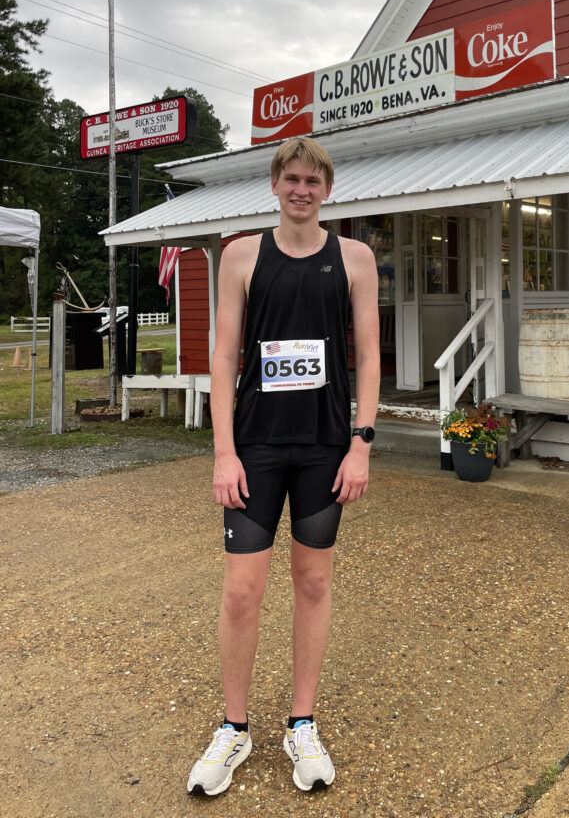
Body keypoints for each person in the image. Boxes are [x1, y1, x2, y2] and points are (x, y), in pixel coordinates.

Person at [187, 136, 380, 796]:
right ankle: (234, 728)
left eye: (313, 180)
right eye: (291, 178)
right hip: (256, 448)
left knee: (314, 582)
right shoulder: (241, 255)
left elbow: (372, 357)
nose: (302, 189)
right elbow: (221, 359)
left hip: (325, 447)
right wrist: (222, 452)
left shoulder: (355, 258)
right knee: (242, 590)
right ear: (274, 185)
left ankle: (301, 722)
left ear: (328, 189)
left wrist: (362, 443)